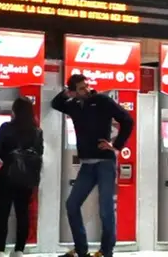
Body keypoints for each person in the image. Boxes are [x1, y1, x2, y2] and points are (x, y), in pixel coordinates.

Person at [53, 74, 133, 257]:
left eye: (87, 86)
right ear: (74, 91)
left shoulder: (102, 101)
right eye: (81, 88)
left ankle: (106, 252)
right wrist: (67, 94)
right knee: (72, 204)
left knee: (105, 210)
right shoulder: (73, 105)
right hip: (87, 165)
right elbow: (56, 104)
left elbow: (127, 120)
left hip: (105, 163)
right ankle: (81, 250)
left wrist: (116, 145)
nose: (86, 90)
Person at [0, 97, 44, 257]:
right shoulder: (37, 131)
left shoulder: (6, 128)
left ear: (15, 110)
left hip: (7, 176)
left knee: (3, 214)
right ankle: (19, 249)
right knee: (23, 213)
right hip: (27, 179)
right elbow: (40, 152)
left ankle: (0, 250)